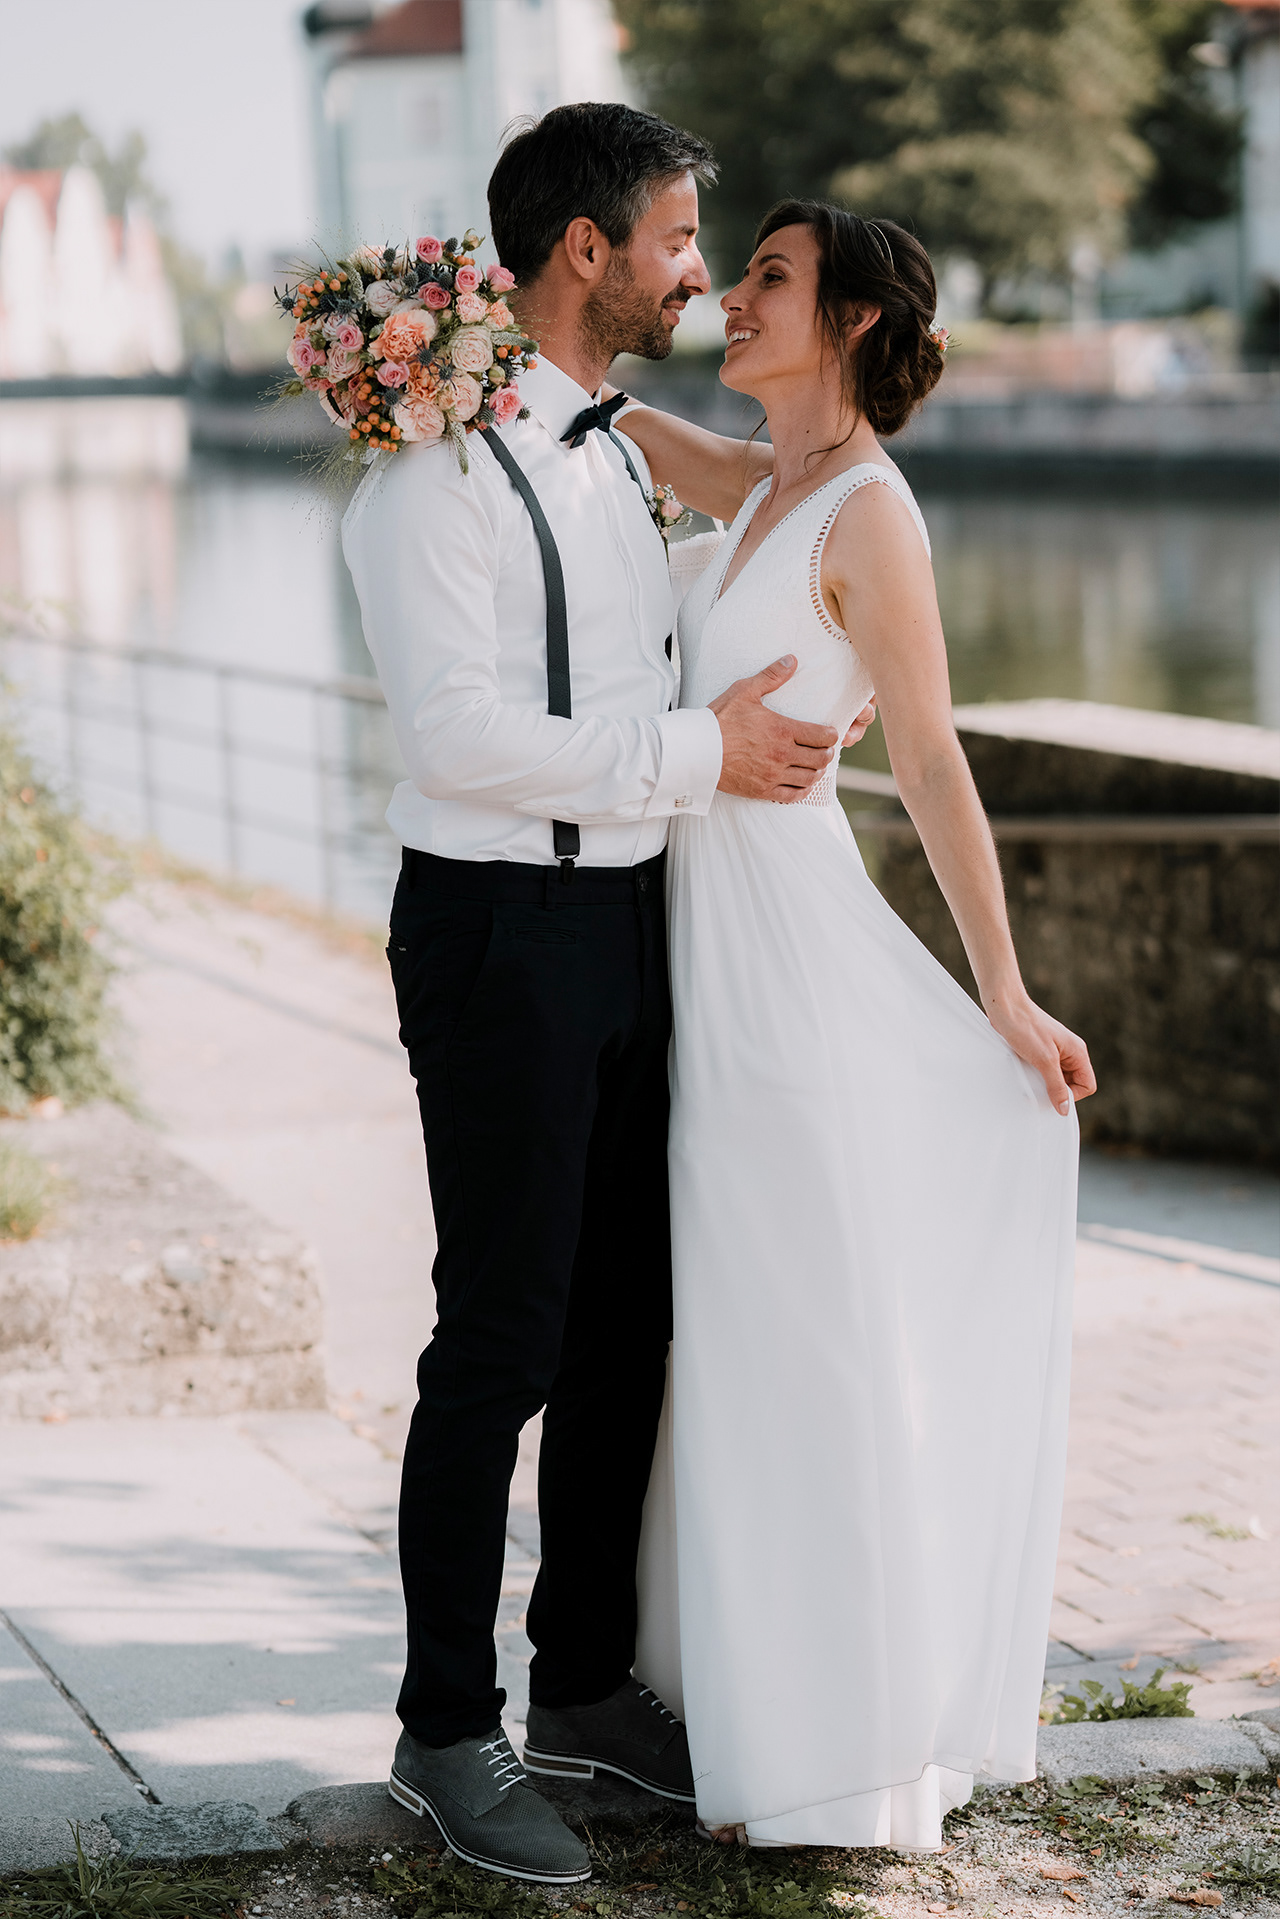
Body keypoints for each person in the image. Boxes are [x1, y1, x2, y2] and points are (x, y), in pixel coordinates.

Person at [341, 110, 872, 1884]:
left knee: (625, 1319)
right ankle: (442, 1730)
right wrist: (703, 751)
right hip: (494, 935)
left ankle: (577, 1687)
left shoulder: (602, 455)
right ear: (586, 251)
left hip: (630, 922)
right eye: (674, 243)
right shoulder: (430, 473)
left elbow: (685, 609)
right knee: (497, 1335)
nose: (697, 275)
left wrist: (792, 650)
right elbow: (455, 740)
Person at [612, 201, 1096, 1851]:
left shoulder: (871, 516)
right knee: (726, 1340)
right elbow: (648, 438)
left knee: (797, 1332)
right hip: (705, 955)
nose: (734, 298)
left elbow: (938, 763)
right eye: (736, 271)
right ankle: (742, 1711)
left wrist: (1007, 994)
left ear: (862, 324)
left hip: (792, 968)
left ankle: (841, 1743)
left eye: (769, 280)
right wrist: (519, 378)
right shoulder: (770, 486)